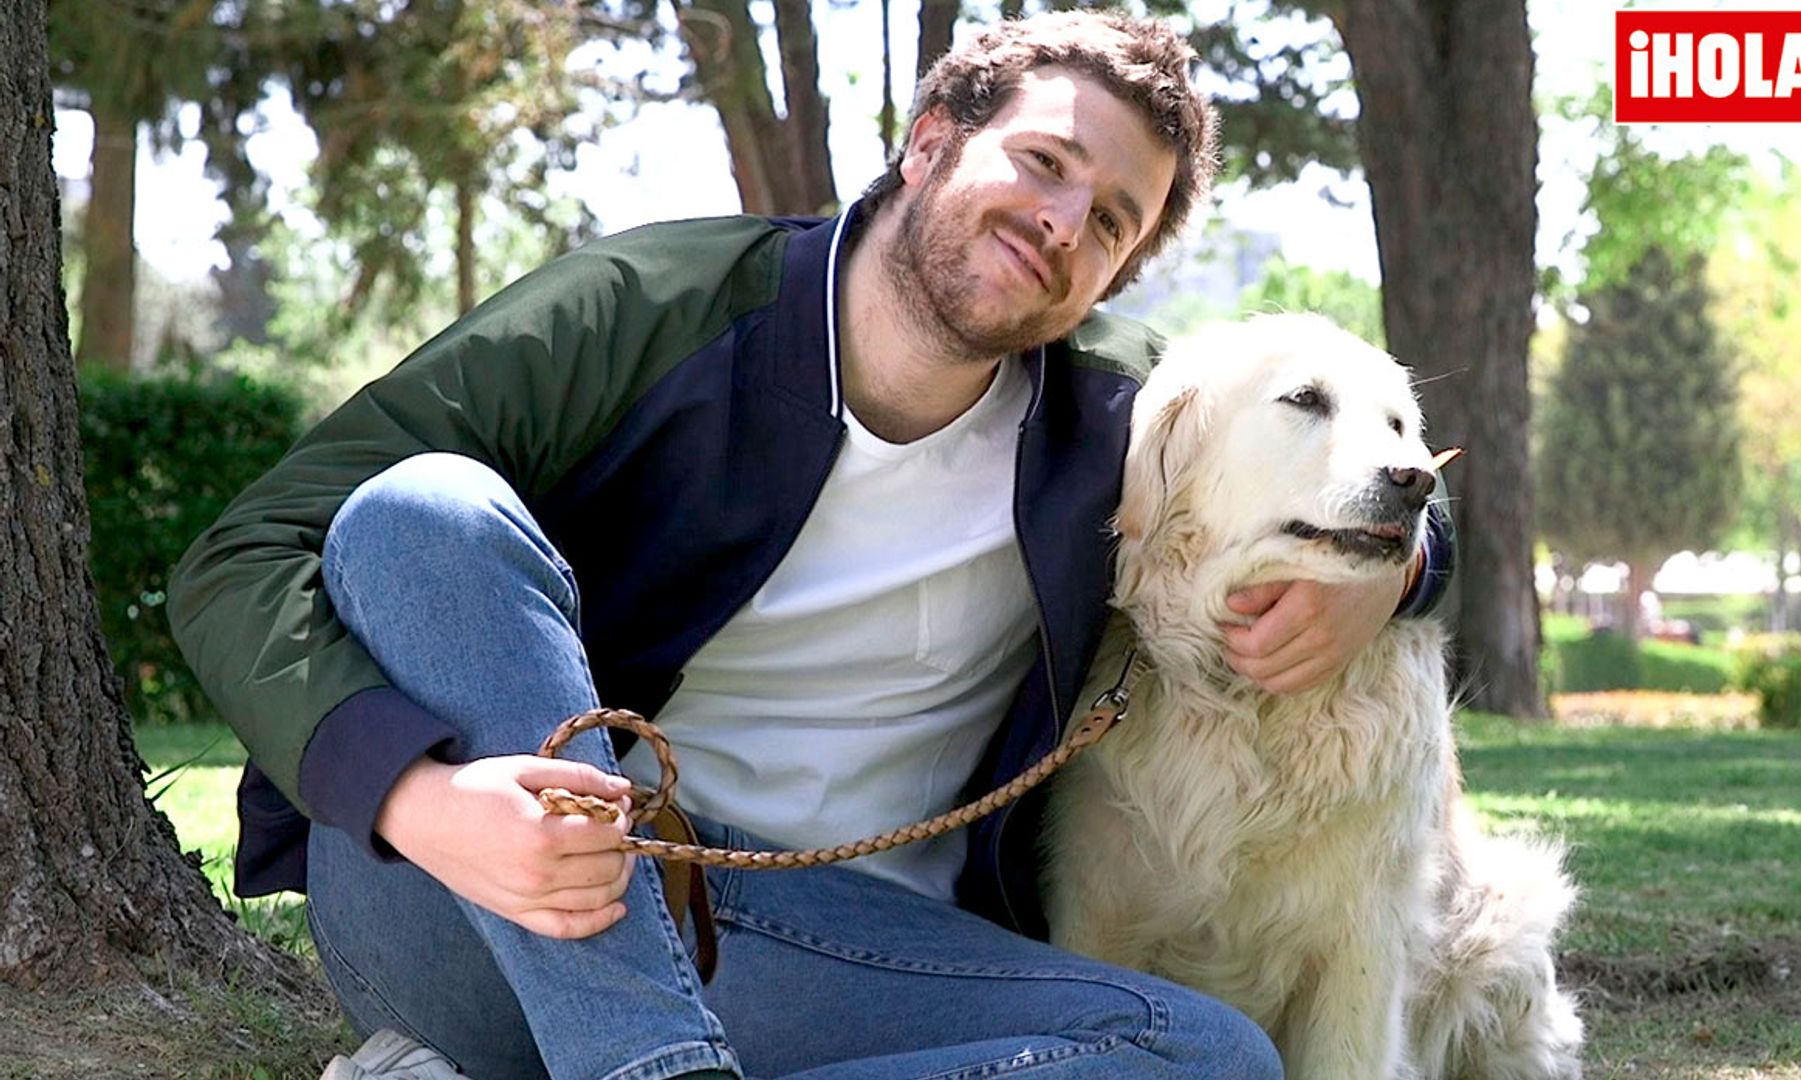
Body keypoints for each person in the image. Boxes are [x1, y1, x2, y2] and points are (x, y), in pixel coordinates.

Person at [169, 11, 1452, 1080]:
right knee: (424, 511)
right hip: (492, 897)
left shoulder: (1112, 425)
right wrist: (423, 801)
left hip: (854, 959)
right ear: (932, 139)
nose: (1067, 222)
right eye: (1047, 163)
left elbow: (1320, 473)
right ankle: (641, 1057)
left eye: (1112, 221)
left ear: (1110, 283)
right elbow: (248, 554)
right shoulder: (648, 309)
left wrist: (1394, 574)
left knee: (1205, 1060)